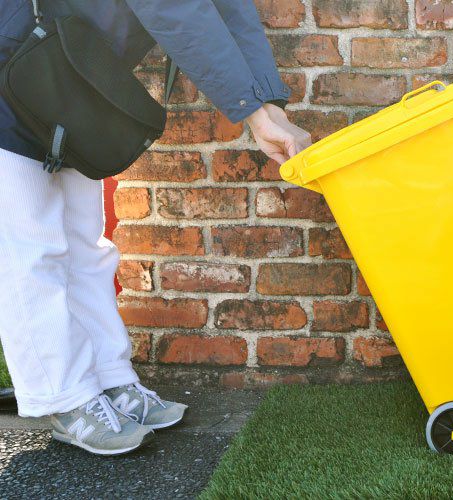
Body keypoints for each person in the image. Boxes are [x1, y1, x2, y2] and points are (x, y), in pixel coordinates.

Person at [0, 0, 311, 455]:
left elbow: (229, 7)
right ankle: (64, 397)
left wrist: (268, 104)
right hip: (16, 63)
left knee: (85, 244)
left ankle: (108, 378)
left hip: (67, 72)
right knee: (30, 251)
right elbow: (172, 8)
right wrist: (254, 113)